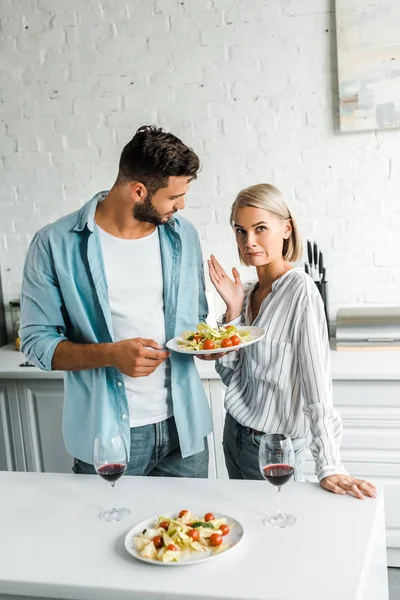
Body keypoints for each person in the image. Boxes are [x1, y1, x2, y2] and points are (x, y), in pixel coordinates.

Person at [20, 125, 214, 478]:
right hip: (109, 437)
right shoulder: (55, 243)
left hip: (184, 430)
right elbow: (36, 344)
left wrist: (209, 343)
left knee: (191, 532)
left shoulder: (183, 234)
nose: (181, 205)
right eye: (173, 197)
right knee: (104, 532)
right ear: (139, 191)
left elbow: (196, 317)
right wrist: (111, 354)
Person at [208, 184, 377, 499]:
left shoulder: (300, 290)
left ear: (286, 229)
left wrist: (329, 464)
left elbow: (317, 384)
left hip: (274, 448)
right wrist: (231, 313)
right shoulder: (245, 293)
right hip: (235, 436)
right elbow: (234, 378)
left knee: (278, 535)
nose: (249, 241)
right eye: (240, 231)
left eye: (260, 229)